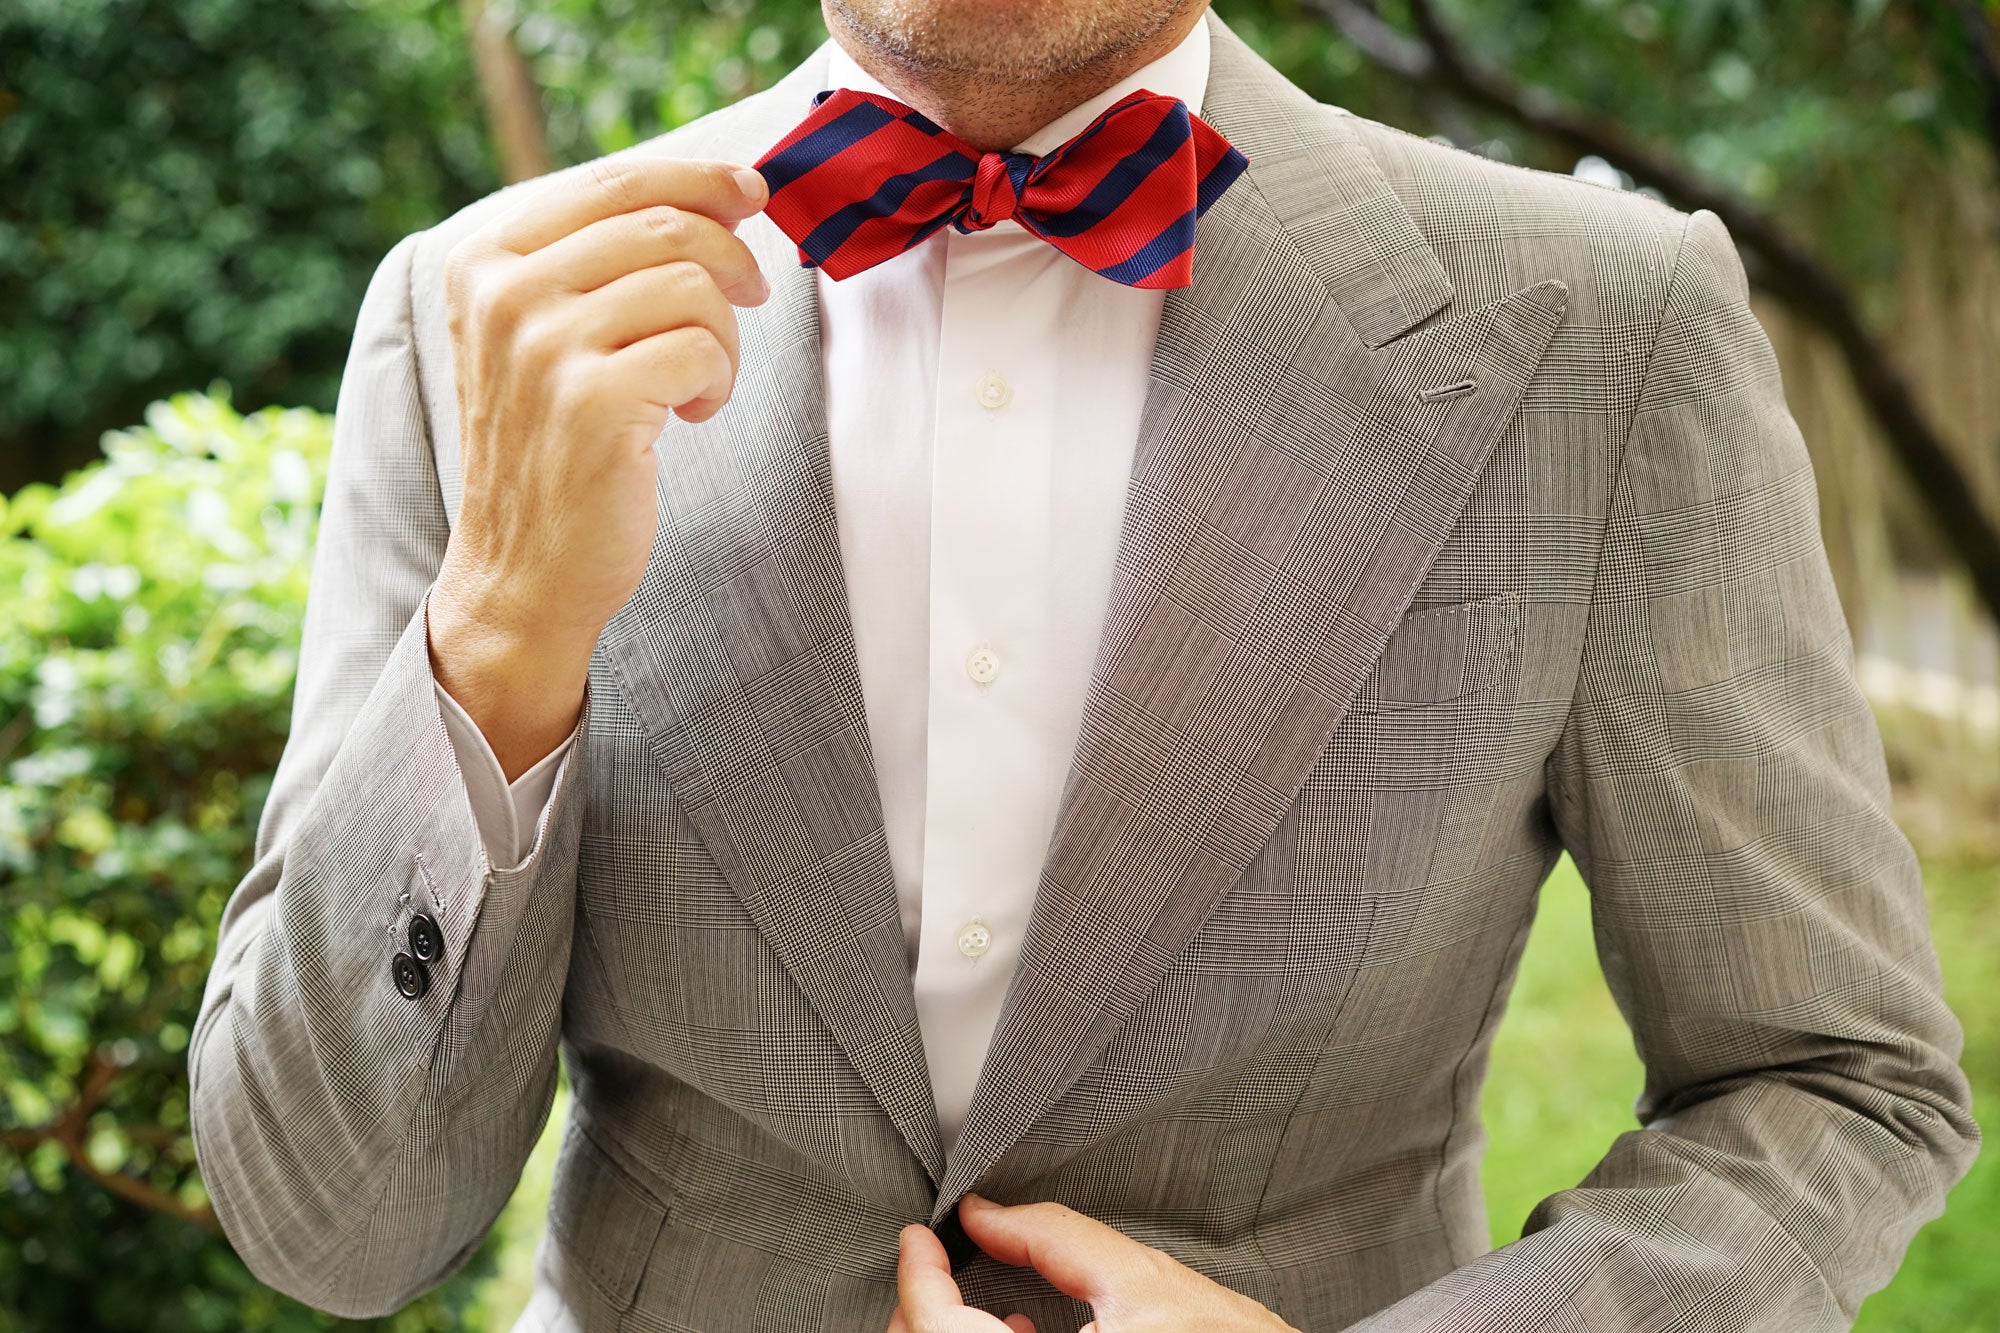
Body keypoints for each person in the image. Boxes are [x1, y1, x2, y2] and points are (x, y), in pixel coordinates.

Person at [187, 1, 1981, 1329]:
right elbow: (332, 1224)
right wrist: (498, 626)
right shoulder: (475, 314)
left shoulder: (1604, 329)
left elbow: (1834, 1076)